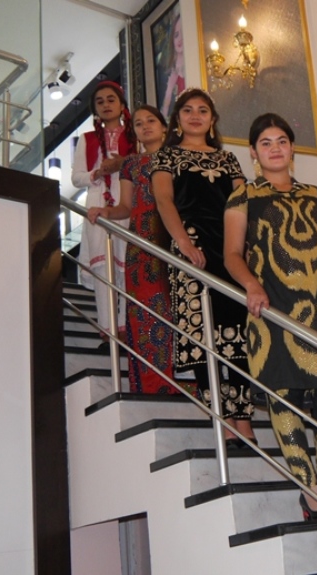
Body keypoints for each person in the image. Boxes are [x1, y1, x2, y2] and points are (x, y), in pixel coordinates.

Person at [223, 113, 317, 520]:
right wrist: (252, 286)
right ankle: (309, 489)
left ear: (292, 147)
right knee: (285, 394)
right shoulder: (243, 196)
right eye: (265, 143)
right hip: (273, 307)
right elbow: (231, 254)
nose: (275, 148)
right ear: (253, 152)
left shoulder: (316, 196)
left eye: (281, 140)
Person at [151, 88, 256, 445]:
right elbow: (164, 200)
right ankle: (222, 419)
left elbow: (243, 205)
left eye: (203, 110)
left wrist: (246, 248)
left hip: (230, 250)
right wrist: (182, 242)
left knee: (237, 336)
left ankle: (244, 420)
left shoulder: (228, 159)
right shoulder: (167, 156)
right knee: (201, 336)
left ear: (212, 120)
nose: (195, 116)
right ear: (177, 119)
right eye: (188, 110)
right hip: (191, 248)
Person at [88, 105, 177, 394]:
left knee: (175, 308)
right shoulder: (130, 164)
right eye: (138, 123)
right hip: (141, 245)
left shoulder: (178, 158)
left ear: (164, 127)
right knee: (144, 311)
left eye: (151, 121)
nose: (145, 126)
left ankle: (182, 382)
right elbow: (125, 207)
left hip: (173, 239)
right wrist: (106, 211)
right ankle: (150, 385)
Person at [72, 81, 135, 344]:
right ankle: (107, 327)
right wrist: (97, 173)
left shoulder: (134, 136)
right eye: (100, 101)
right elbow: (76, 178)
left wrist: (122, 164)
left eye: (111, 99)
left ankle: (123, 325)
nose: (106, 105)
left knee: (125, 264)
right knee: (102, 265)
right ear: (95, 109)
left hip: (126, 201)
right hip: (97, 201)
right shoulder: (86, 140)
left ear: (121, 105)